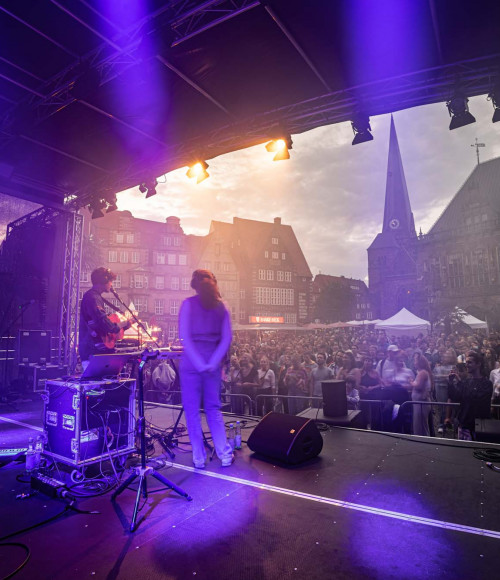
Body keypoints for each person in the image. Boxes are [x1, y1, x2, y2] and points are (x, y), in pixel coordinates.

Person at [178, 269, 234, 469]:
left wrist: (199, 363)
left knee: (192, 411)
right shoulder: (222, 307)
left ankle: (198, 458)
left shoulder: (188, 304)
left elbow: (184, 337)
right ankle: (224, 453)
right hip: (212, 362)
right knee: (213, 408)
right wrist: (212, 362)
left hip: (191, 365)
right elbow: (227, 338)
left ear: (194, 285)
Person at [78, 267, 131, 364]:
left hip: (96, 352)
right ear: (104, 280)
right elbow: (105, 324)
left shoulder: (96, 297)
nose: (111, 284)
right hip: (92, 352)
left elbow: (102, 328)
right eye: (110, 281)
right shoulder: (92, 298)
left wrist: (125, 326)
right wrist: (123, 323)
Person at [448, 351, 493, 441]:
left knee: (477, 453)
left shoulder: (487, 384)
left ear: (478, 364)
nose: (467, 365)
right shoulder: (466, 382)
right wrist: (450, 383)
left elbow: (475, 398)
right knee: (462, 453)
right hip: (464, 424)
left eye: (470, 362)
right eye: (466, 362)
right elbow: (456, 397)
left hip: (479, 426)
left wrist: (460, 383)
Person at [409, 353, 433, 436]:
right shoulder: (422, 372)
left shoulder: (422, 373)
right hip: (419, 403)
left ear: (420, 362)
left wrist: (411, 382)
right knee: (420, 424)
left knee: (421, 426)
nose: (414, 362)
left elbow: (418, 386)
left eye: (415, 360)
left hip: (421, 403)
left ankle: (424, 443)